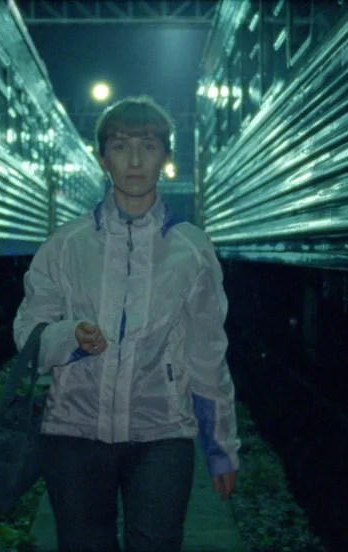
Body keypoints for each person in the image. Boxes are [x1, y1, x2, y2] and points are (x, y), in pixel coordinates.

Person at [13, 95, 239, 552]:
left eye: (148, 147)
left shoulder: (192, 249)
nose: (135, 160)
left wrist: (220, 447)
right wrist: (69, 337)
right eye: (120, 147)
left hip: (162, 435)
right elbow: (27, 334)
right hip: (73, 433)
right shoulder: (64, 245)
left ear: (165, 157)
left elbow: (207, 353)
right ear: (102, 159)